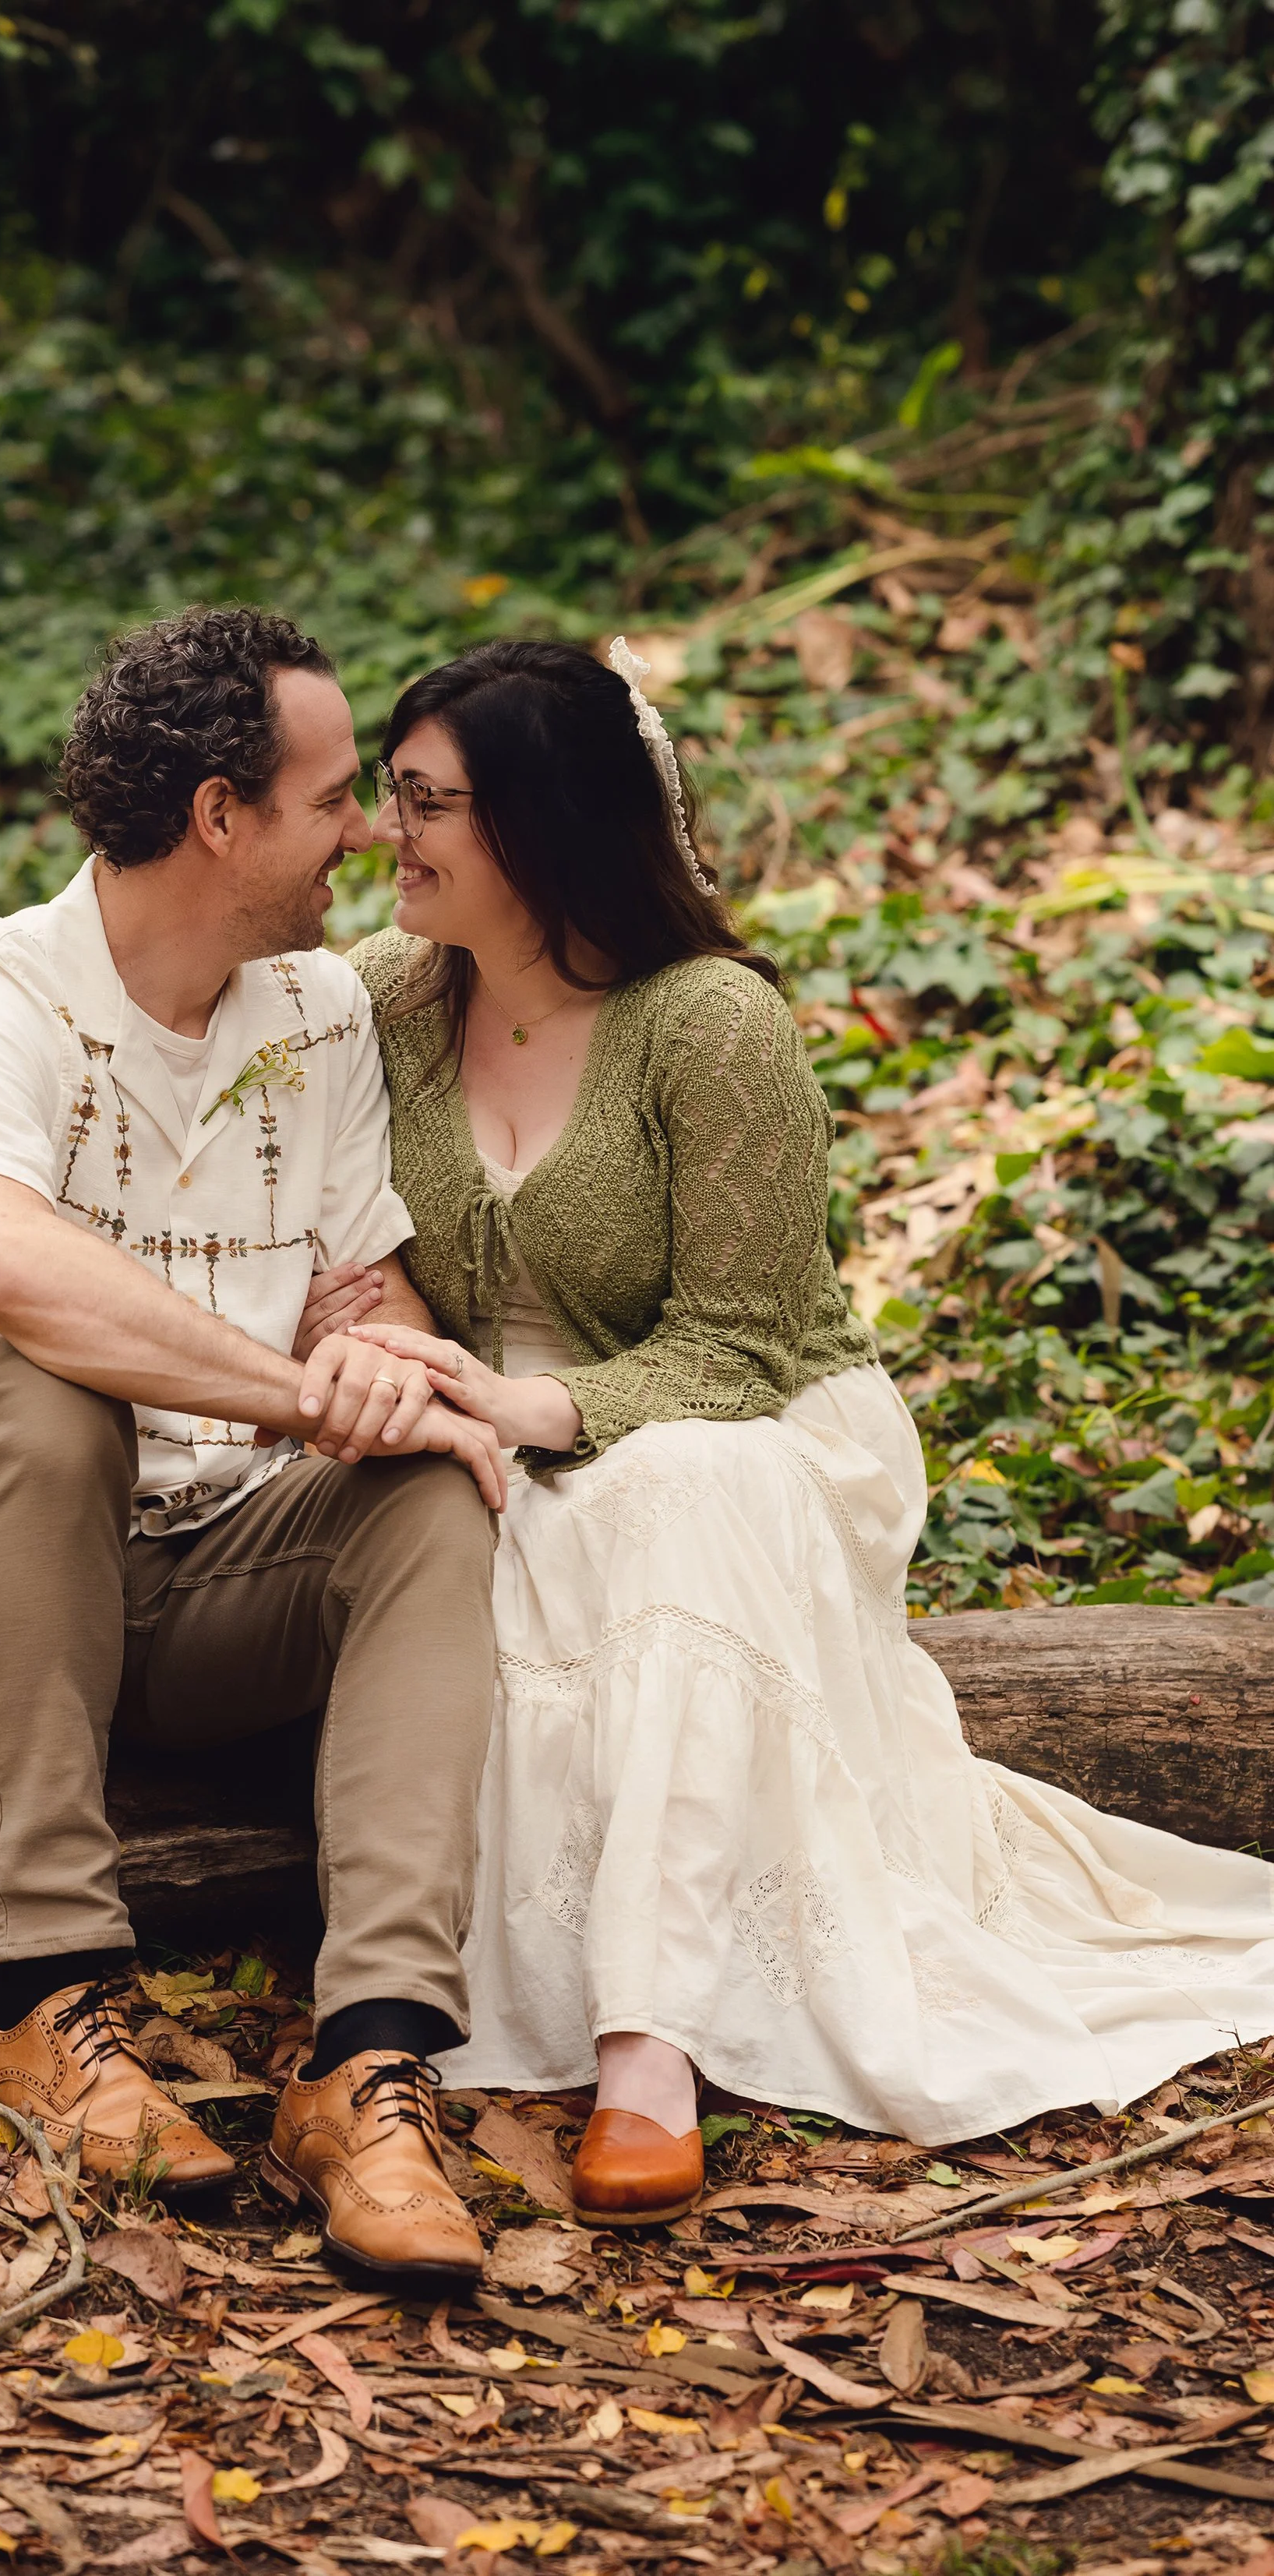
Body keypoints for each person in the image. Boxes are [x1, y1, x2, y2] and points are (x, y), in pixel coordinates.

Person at [301, 633, 1274, 2225]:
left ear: (541, 823)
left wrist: (539, 1402)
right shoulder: (377, 1006)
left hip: (746, 1427)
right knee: (464, 1537)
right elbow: (311, 1223)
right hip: (489, 1432)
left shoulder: (709, 1025)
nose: (379, 834)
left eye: (423, 803)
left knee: (684, 1490)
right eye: (388, 796)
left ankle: (646, 2049)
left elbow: (741, 1349)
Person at [0, 604, 507, 2284]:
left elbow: (369, 1295)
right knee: (49, 1394)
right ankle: (46, 2001)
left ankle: (369, 2065)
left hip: (198, 1582)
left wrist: (393, 1372)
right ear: (220, 815)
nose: (365, 833)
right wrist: (286, 1386)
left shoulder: (319, 1012)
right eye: (334, 798)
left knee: (421, 1486)